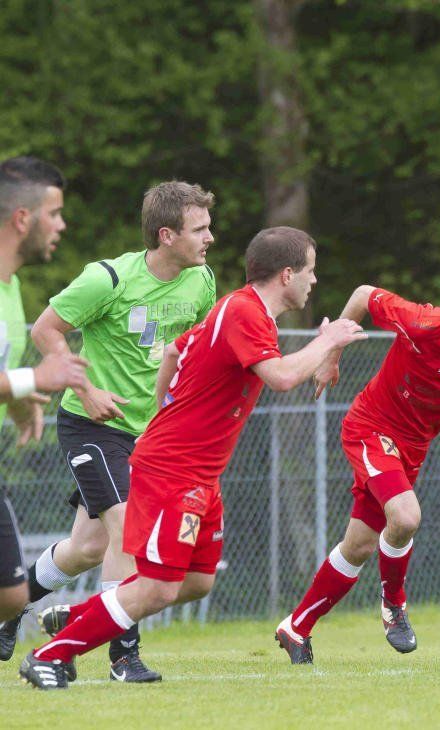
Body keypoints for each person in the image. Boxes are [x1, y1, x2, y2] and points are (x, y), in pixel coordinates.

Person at [18, 226, 366, 689]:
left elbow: (174, 351)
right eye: (311, 271)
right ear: (287, 274)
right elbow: (281, 378)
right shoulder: (244, 311)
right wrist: (328, 340)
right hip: (174, 471)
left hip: (201, 474)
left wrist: (164, 408)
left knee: (198, 582)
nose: (314, 281)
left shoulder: (242, 309)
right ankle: (50, 656)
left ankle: (84, 616)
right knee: (156, 586)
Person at [0, 181, 218, 683]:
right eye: (199, 229)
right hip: (93, 425)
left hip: (152, 435)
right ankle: (124, 656)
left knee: (87, 549)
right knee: (130, 532)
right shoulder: (109, 279)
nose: (210, 238)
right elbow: (45, 330)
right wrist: (88, 388)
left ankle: (15, 606)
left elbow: (195, 348)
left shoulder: (201, 280)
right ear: (166, 235)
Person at [275, 286, 440, 664]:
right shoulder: (421, 322)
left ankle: (296, 627)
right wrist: (330, 355)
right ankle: (394, 604)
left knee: (359, 546)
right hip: (370, 429)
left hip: (411, 449)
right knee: (406, 517)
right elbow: (362, 294)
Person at [0, 156, 89, 622]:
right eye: (54, 214)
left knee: (11, 597)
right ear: (23, 218)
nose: (62, 225)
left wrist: (15, 397)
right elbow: (21, 375)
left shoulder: (10, 288)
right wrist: (31, 379)